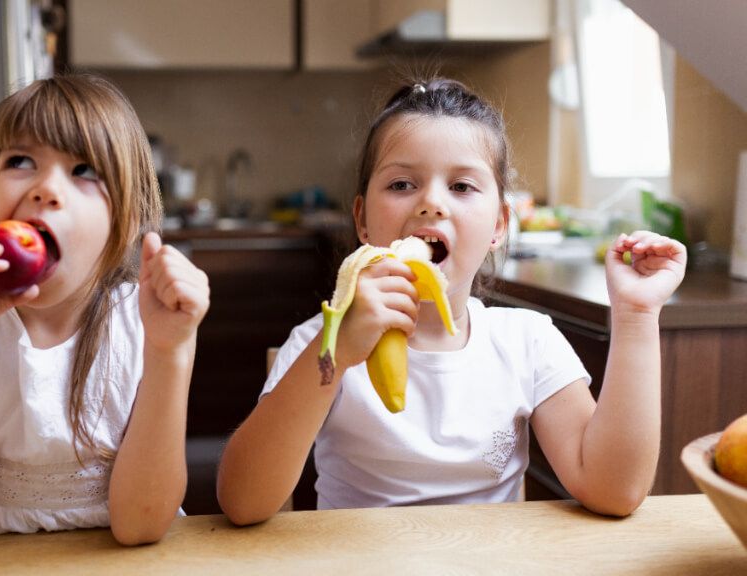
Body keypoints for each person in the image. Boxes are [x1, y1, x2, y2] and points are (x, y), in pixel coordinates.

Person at [216, 77, 686, 524]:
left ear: (500, 224)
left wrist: (637, 315)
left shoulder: (527, 343)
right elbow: (242, 502)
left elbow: (614, 491)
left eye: (461, 186)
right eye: (402, 184)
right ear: (362, 220)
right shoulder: (320, 342)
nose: (432, 203)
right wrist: (335, 354)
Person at [0, 73, 210, 550]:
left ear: (122, 222)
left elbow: (140, 527)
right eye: (20, 161)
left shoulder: (145, 320)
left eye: (85, 171)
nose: (47, 188)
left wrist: (172, 352)